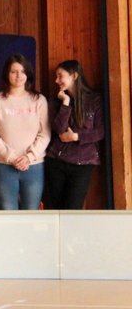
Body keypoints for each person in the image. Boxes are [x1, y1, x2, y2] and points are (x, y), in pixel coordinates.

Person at [0, 54, 50, 211]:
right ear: (7, 74)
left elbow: (45, 133)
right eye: (14, 72)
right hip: (4, 165)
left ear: (28, 73)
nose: (19, 76)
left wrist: (29, 157)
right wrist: (12, 157)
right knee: (8, 211)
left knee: (32, 211)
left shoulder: (39, 100)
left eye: (22, 71)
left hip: (33, 165)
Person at [44, 60, 105, 209]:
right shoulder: (56, 102)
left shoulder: (94, 100)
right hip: (56, 161)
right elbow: (59, 129)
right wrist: (65, 103)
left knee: (73, 209)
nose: (56, 80)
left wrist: (76, 136)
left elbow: (100, 132)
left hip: (83, 163)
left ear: (74, 76)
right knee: (55, 209)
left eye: (60, 76)